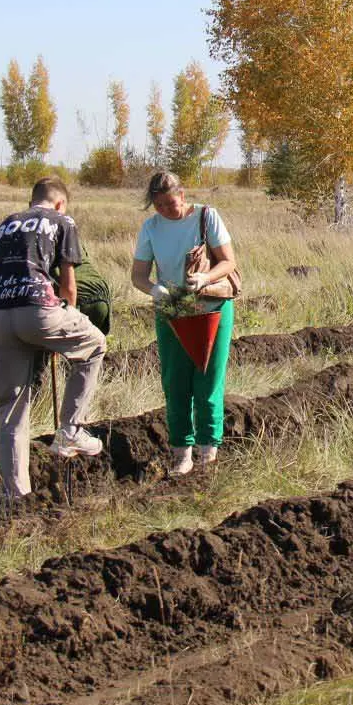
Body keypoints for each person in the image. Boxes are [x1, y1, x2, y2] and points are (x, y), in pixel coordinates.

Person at [0, 176, 108, 500]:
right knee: (95, 345)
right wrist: (67, 314)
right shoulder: (62, 220)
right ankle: (71, 429)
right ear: (59, 203)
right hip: (39, 310)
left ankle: (16, 497)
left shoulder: (6, 224)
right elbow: (68, 285)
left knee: (10, 409)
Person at [130, 170, 240, 476]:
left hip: (211, 308)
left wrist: (204, 277)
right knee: (175, 383)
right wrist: (154, 289)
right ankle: (181, 454)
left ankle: (208, 452)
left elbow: (229, 262)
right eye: (158, 205)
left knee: (207, 381)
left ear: (182, 195)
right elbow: (138, 274)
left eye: (170, 203)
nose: (165, 210)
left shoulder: (207, 216)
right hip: (172, 311)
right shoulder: (151, 228)